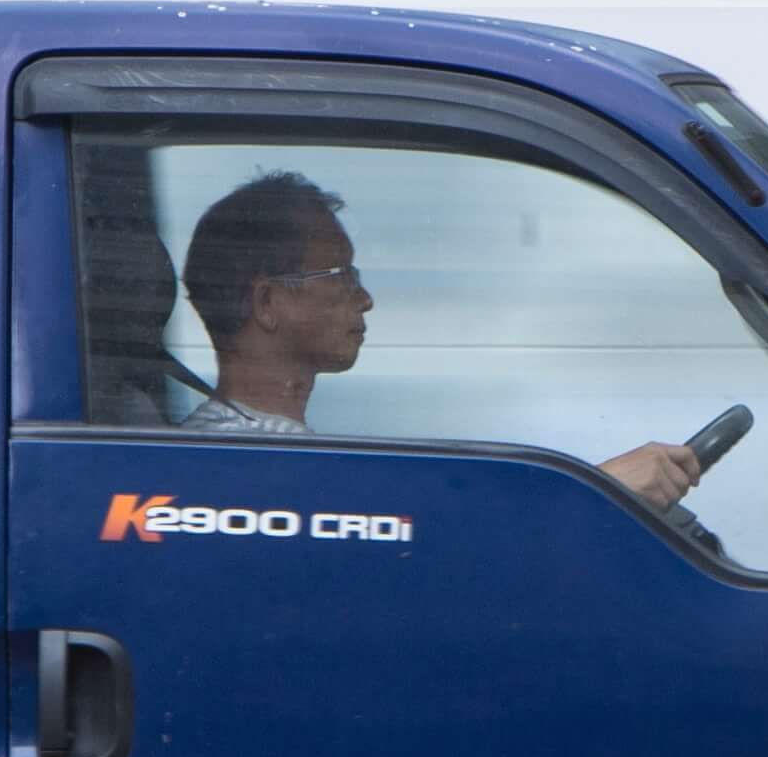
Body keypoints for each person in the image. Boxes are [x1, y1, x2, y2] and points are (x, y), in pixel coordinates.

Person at [172, 169, 710, 506]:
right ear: (268, 302)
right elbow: (440, 551)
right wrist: (597, 494)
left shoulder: (247, 452)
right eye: (342, 276)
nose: (364, 299)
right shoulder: (241, 469)